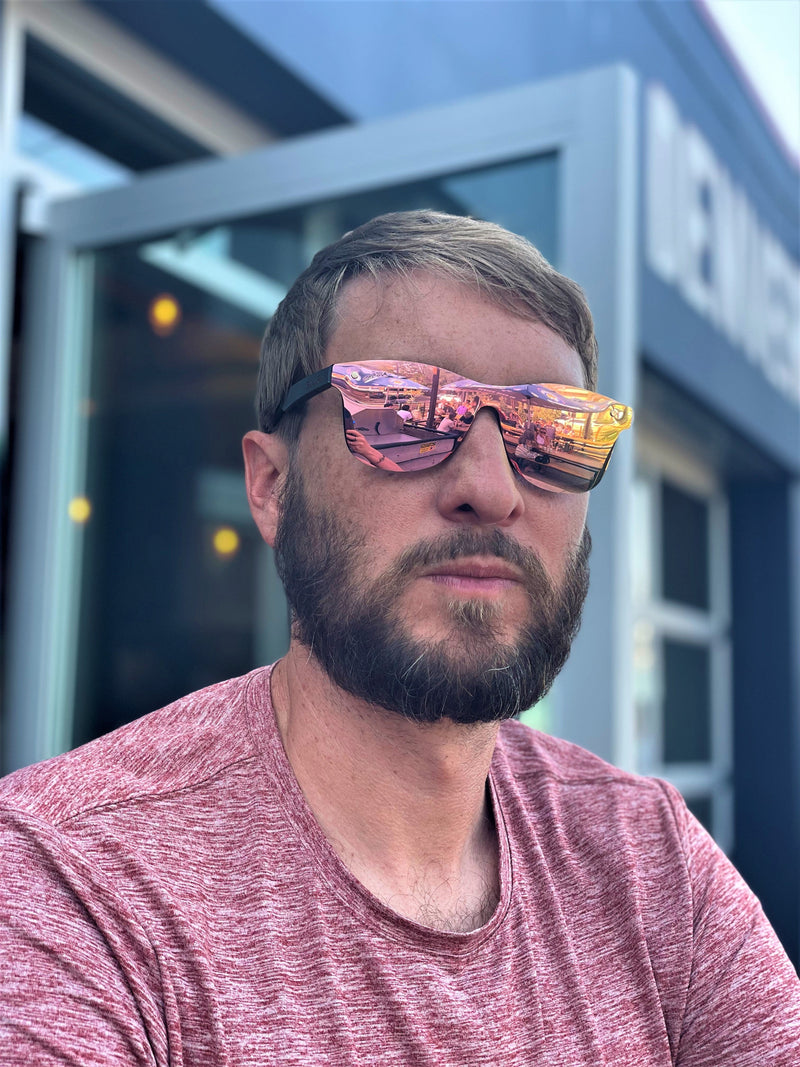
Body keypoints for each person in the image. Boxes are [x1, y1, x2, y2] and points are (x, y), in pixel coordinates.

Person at [1, 210, 798, 1066]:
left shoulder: (648, 861)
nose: (492, 489)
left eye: (553, 433)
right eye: (404, 414)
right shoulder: (69, 877)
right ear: (270, 485)